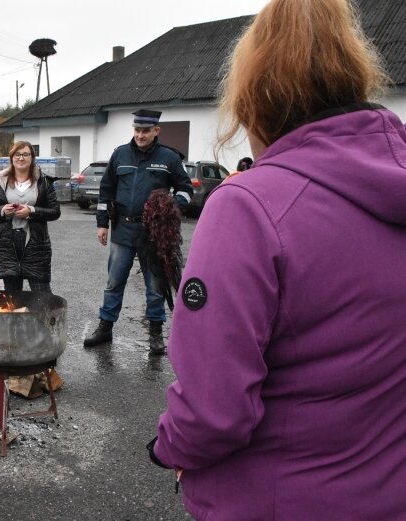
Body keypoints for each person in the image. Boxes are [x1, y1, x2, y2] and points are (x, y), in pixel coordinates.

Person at [149, 0, 406, 519]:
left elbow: (213, 412)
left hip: (274, 499)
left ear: (255, 99)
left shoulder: (249, 206)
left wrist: (167, 447)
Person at [83, 109, 193, 352]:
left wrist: (172, 207)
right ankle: (105, 328)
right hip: (123, 228)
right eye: (137, 130)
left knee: (155, 286)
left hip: (153, 234)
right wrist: (102, 223)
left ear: (156, 131)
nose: (141, 135)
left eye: (146, 131)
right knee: (114, 282)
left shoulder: (170, 158)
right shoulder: (120, 155)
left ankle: (155, 333)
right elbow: (106, 190)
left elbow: (185, 189)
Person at [0, 141, 60, 292]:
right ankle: (16, 316)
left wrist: (31, 211)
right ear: (12, 158)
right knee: (12, 297)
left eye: (26, 154)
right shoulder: (1, 182)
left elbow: (55, 211)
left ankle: (43, 317)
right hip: (7, 243)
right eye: (17, 154)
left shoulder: (44, 182)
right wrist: (2, 211)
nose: (21, 158)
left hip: (36, 243)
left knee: (42, 294)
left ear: (32, 157)